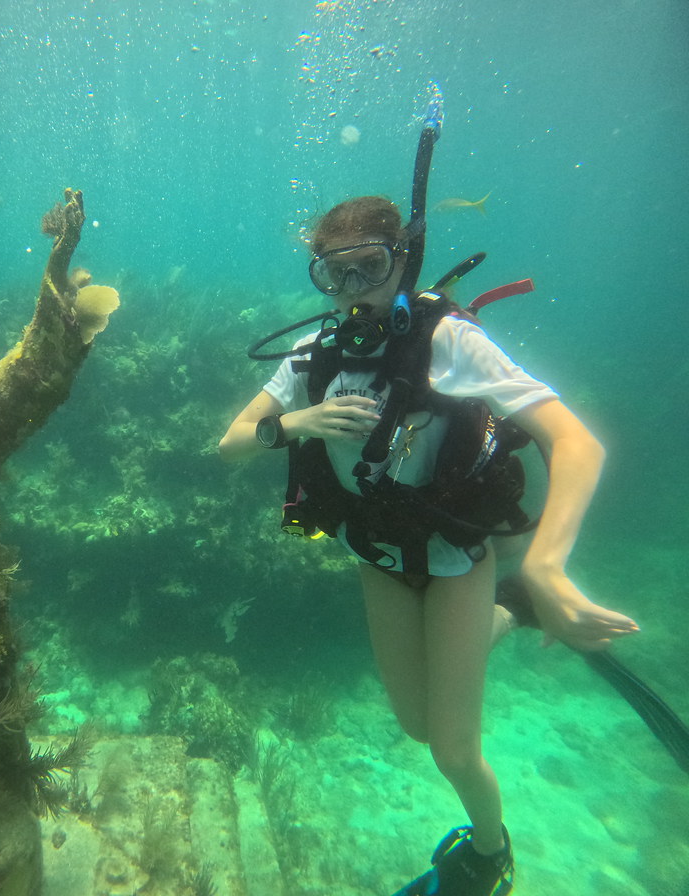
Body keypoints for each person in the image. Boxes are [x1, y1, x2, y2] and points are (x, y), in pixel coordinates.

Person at [219, 195, 640, 896]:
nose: (354, 290)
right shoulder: (311, 358)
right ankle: (508, 614)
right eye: (335, 274)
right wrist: (299, 422)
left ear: (404, 262)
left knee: (453, 752)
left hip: (452, 559)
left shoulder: (448, 341)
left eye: (371, 266)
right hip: (376, 557)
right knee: (417, 725)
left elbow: (577, 442)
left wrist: (547, 566)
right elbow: (230, 443)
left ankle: (490, 854)